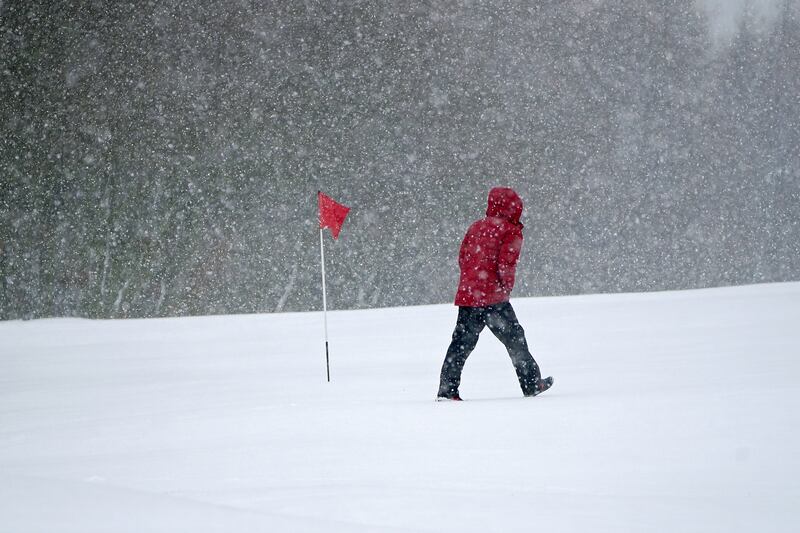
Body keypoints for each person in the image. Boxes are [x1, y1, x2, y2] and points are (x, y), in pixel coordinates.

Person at [437, 187, 553, 401]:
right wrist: (505, 288)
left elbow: (462, 258)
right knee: (515, 340)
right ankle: (531, 384)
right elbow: (506, 264)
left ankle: (447, 390)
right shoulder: (510, 230)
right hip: (493, 298)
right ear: (513, 208)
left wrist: (471, 282)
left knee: (461, 343)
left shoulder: (475, 227)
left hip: (470, 295)